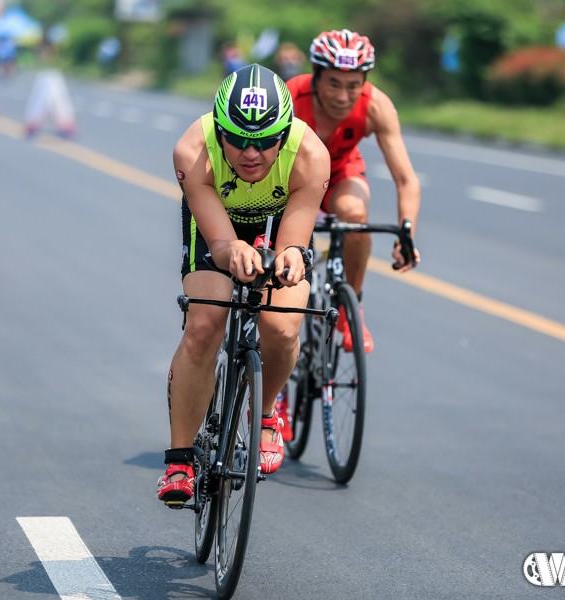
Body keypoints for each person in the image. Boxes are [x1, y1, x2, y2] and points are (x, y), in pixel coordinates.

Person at [158, 64, 330, 507]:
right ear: (218, 130)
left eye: (266, 141)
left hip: (278, 224)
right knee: (205, 321)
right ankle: (179, 459)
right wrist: (230, 249)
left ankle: (267, 412)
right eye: (236, 140)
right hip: (218, 225)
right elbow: (217, 242)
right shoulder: (192, 151)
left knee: (284, 322)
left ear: (285, 133)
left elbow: (294, 244)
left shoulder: (310, 155)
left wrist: (290, 257)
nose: (251, 153)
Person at [286, 28, 421, 355]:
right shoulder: (290, 97)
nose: (343, 97)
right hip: (291, 178)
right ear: (315, 77)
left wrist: (407, 233)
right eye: (334, 83)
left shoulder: (377, 106)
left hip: (340, 171)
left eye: (353, 86)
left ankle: (350, 309)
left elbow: (406, 179)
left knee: (356, 216)